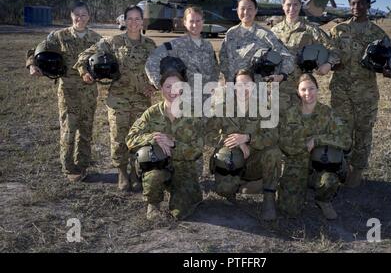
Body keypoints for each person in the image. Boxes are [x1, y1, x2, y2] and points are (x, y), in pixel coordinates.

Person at [74, 5, 156, 192]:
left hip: (141, 100)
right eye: (130, 19)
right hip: (118, 99)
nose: (133, 22)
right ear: (124, 21)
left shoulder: (150, 45)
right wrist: (84, 71)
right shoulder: (113, 42)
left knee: (140, 138)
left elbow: (159, 68)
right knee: (119, 138)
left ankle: (136, 173)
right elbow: (84, 55)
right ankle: (122, 172)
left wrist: (154, 85)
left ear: (142, 21)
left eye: (137, 19)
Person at [329, 0, 391, 188]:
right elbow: (329, 54)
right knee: (341, 130)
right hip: (340, 91)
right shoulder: (339, 30)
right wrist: (331, 63)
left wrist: (389, 71)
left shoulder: (377, 33)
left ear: (368, 5)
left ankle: (357, 170)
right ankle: (339, 167)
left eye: (360, 3)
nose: (356, 7)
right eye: (352, 3)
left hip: (365, 93)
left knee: (363, 131)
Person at [25, 1, 102, 182]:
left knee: (86, 129)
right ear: (71, 16)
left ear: (89, 17)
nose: (80, 18)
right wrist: (32, 66)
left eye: (84, 14)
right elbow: (35, 50)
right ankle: (68, 167)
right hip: (67, 91)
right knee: (68, 129)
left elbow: (106, 60)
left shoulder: (97, 39)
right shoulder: (59, 36)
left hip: (89, 91)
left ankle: (82, 165)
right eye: (76, 14)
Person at [126, 71, 204, 221]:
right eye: (168, 86)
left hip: (184, 168)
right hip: (157, 165)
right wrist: (153, 137)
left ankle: (191, 195)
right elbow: (130, 139)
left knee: (180, 214)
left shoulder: (193, 114)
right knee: (153, 174)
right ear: (161, 89)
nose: (172, 91)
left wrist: (173, 144)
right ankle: (153, 203)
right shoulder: (152, 113)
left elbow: (197, 149)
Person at [206, 69, 282, 221]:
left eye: (248, 84)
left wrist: (248, 138)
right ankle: (237, 187)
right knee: (223, 190)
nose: (244, 89)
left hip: (254, 160)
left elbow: (273, 136)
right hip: (231, 159)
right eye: (239, 85)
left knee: (273, 152)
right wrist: (233, 140)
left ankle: (268, 199)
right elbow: (208, 134)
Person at [277, 73, 351, 219]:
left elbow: (346, 140)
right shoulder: (291, 114)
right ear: (298, 92)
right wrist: (304, 147)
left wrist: (317, 140)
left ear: (317, 89)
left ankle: (323, 200)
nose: (307, 93)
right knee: (289, 210)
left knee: (329, 181)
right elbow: (285, 144)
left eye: (311, 88)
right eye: (303, 89)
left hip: (321, 165)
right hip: (296, 163)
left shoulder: (328, 113)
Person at [271, 0, 340, 110]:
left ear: (300, 6)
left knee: (302, 123)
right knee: (280, 122)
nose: (292, 8)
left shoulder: (310, 29)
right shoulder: (274, 31)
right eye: (288, 4)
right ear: (283, 6)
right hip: (279, 88)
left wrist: (328, 64)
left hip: (303, 89)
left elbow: (334, 49)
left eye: (295, 4)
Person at [219, 0, 295, 84]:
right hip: (233, 87)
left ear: (256, 11)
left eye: (250, 8)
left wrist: (282, 75)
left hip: (257, 90)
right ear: (237, 10)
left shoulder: (265, 35)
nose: (246, 12)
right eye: (242, 8)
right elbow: (223, 57)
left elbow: (287, 57)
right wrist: (228, 76)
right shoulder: (231, 33)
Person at [145, 6, 220, 93]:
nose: (195, 25)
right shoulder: (175, 45)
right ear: (185, 23)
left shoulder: (208, 46)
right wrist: (161, 85)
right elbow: (151, 61)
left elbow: (215, 68)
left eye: (198, 21)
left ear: (203, 22)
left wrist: (213, 85)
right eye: (191, 21)